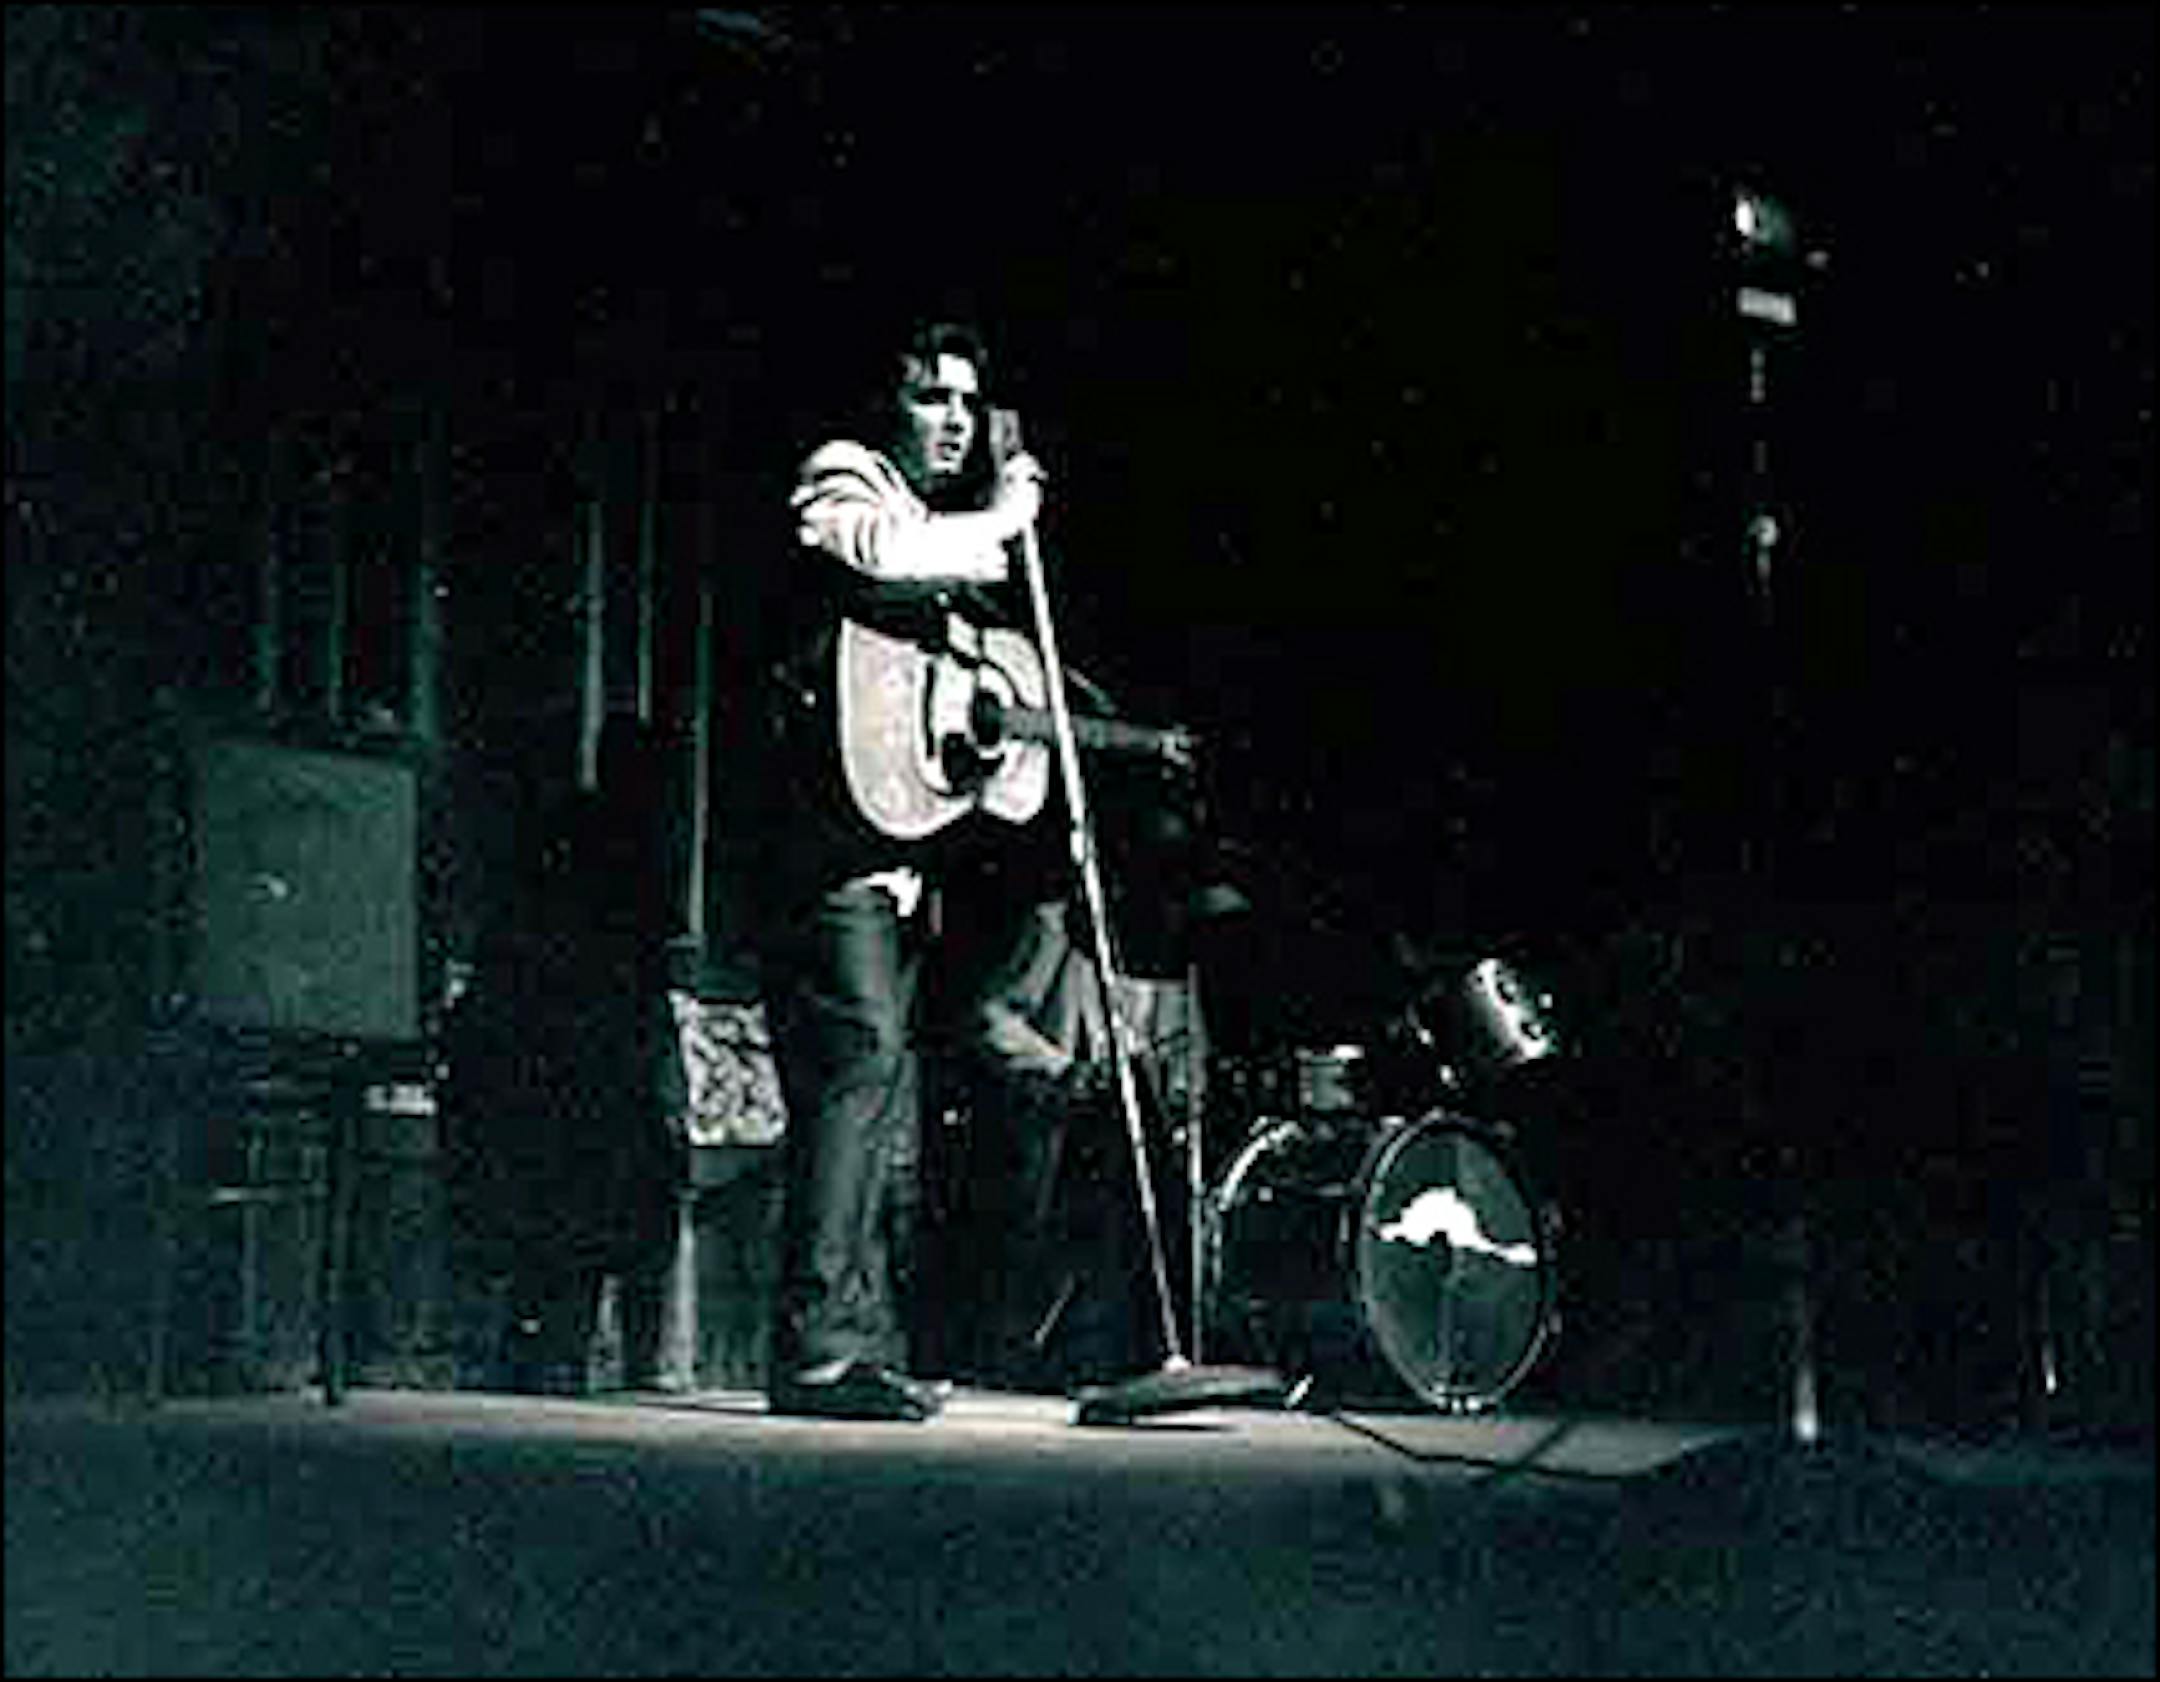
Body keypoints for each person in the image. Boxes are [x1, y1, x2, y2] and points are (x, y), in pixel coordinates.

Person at [746, 318, 1048, 1421]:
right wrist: (1006, 517)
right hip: (821, 852)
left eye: (969, 401)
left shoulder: (939, 527)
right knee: (860, 1063)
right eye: (934, 397)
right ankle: (817, 1350)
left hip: (892, 858)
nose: (958, 419)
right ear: (888, 407)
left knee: (875, 1092)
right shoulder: (844, 476)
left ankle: (855, 1343)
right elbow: (875, 554)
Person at [441, 713, 692, 1395]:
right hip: (589, 1049)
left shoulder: (567, 831)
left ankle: (542, 1354)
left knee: (558, 1219)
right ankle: (572, 1357)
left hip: (553, 1048)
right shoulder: (627, 844)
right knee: (587, 1212)